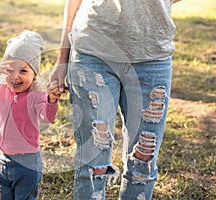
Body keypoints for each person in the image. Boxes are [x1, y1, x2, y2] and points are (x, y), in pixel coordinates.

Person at [49, 0, 182, 199]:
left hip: (152, 55)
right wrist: (62, 59)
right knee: (93, 164)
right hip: (92, 53)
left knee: (143, 161)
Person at [0, 30, 61, 200]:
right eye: (10, 69)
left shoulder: (37, 94)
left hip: (27, 164)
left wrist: (51, 100)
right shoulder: (0, 87)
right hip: (2, 158)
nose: (15, 76)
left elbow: (47, 117)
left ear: (34, 74)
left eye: (23, 71)